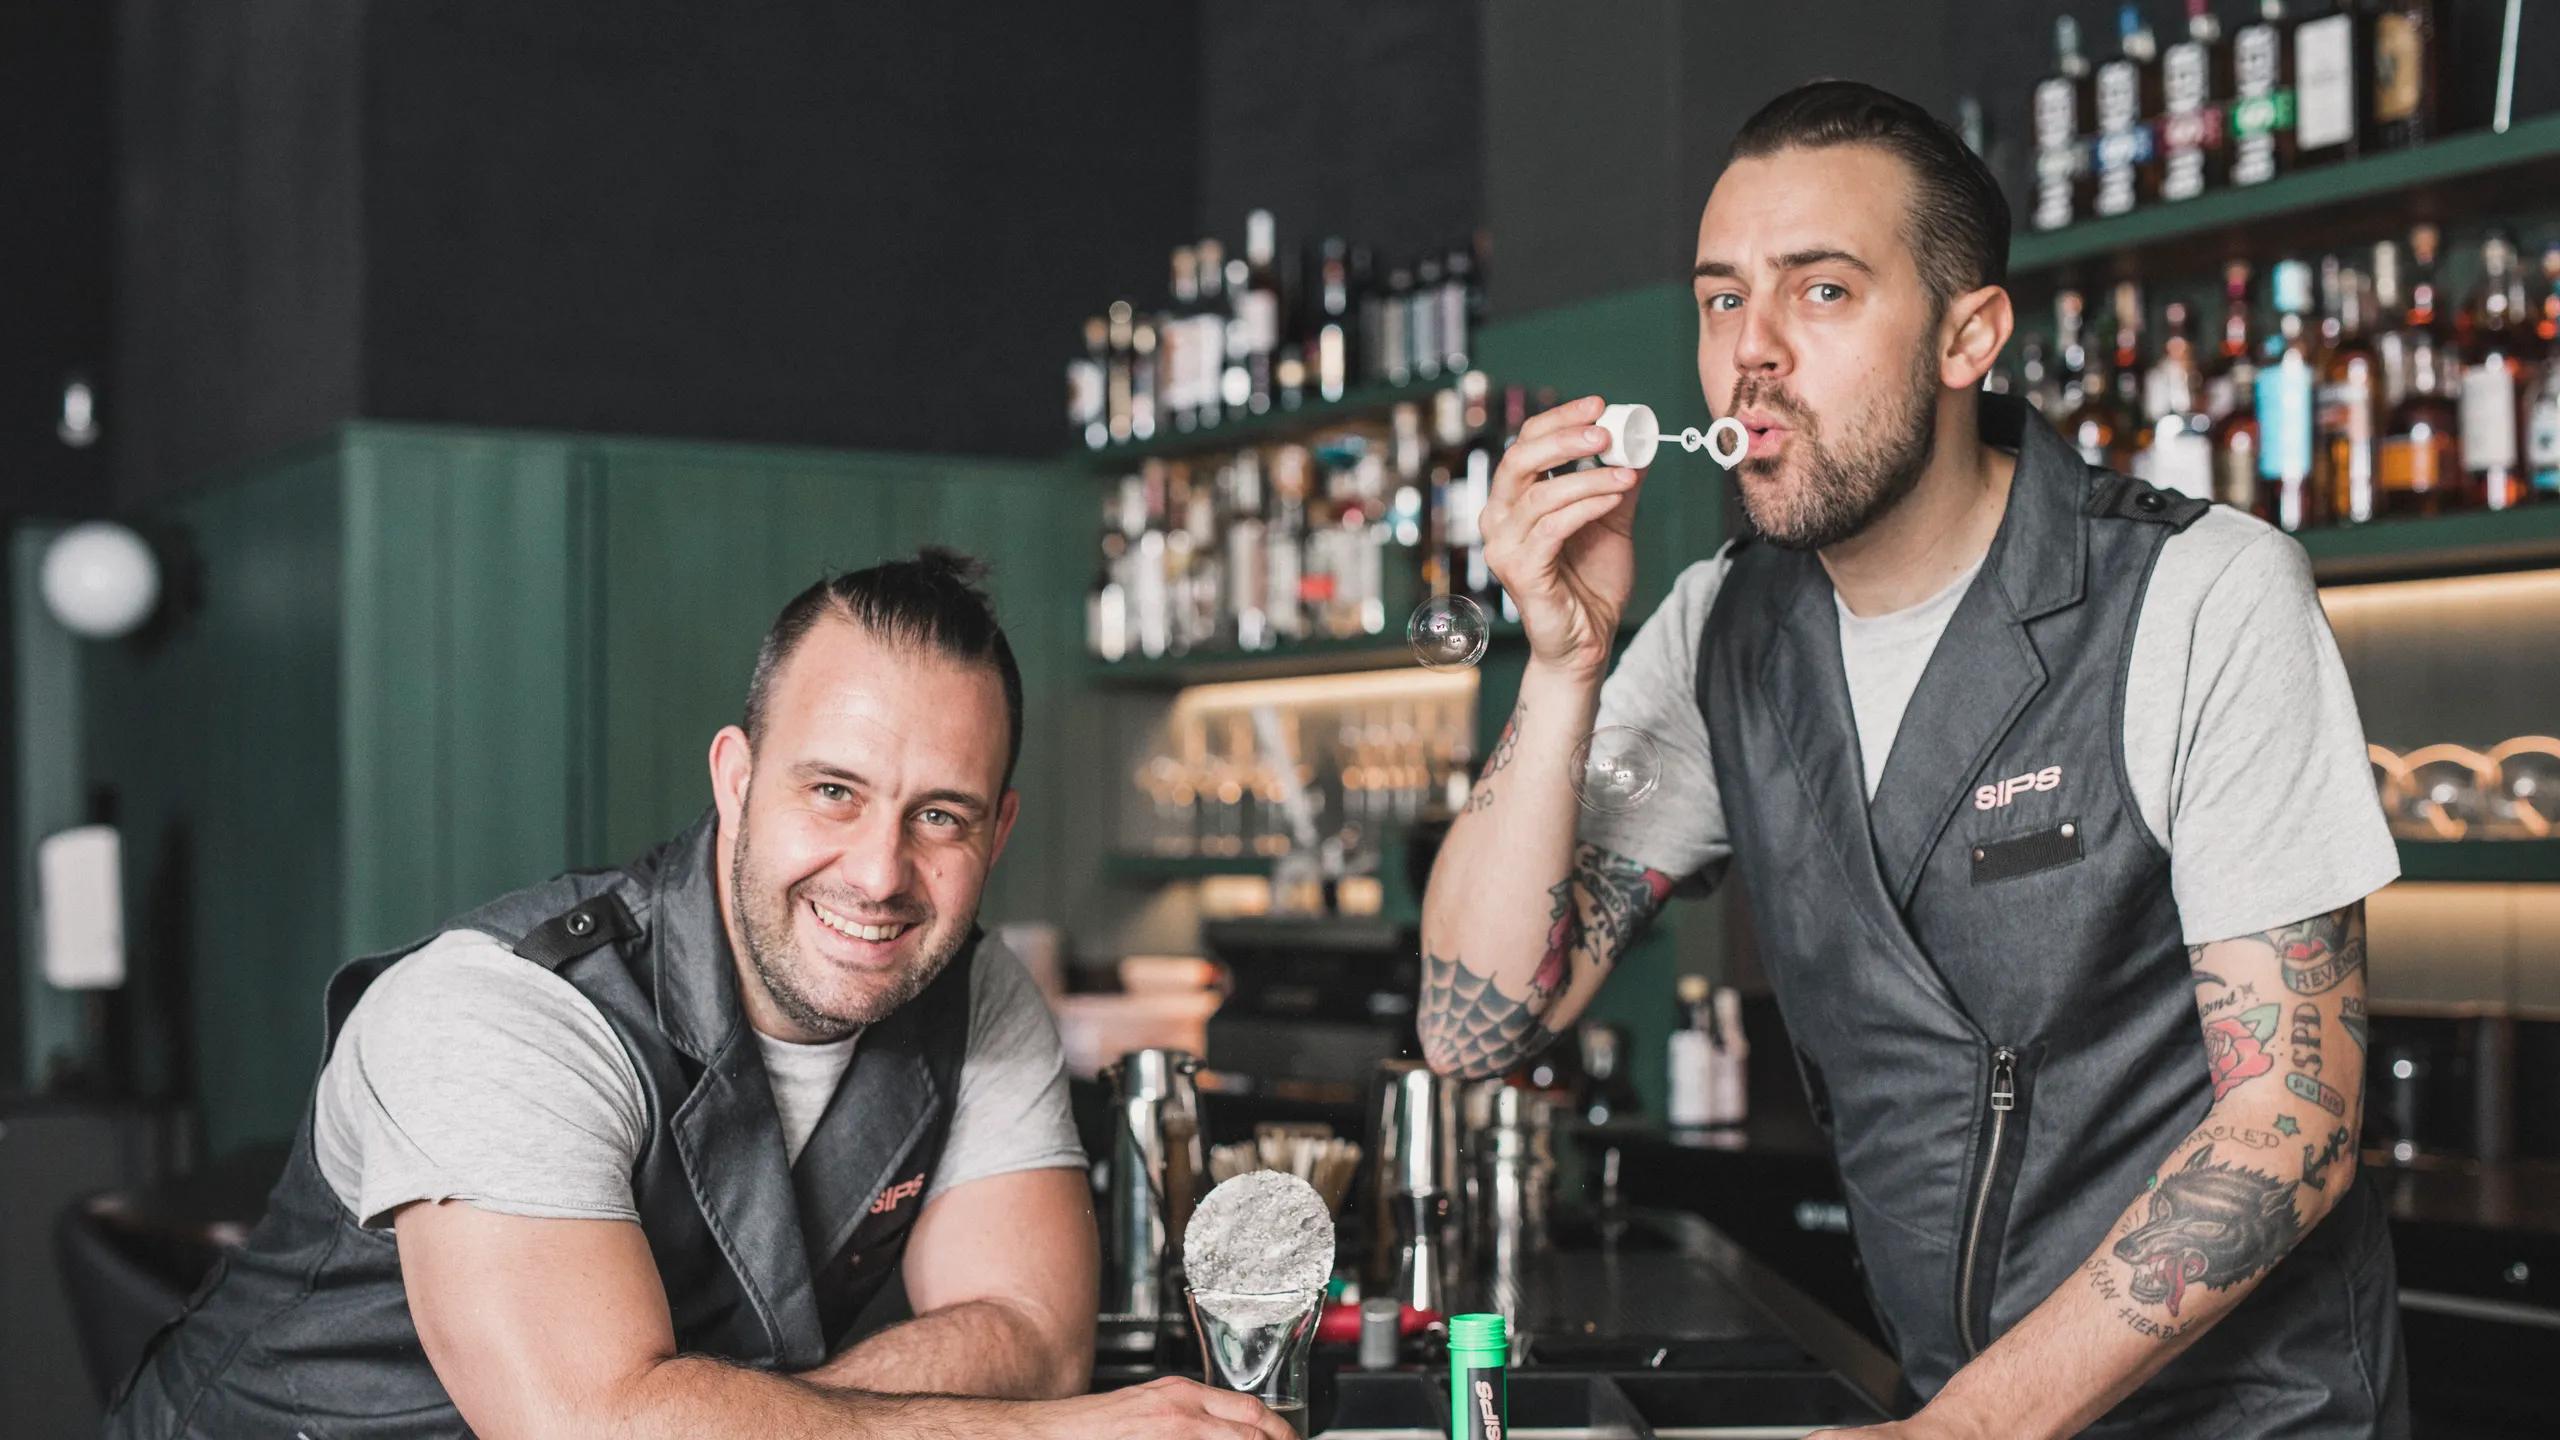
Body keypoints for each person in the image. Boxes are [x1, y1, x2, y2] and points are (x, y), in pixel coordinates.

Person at [1418, 82, 2405, 1439]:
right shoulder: (1726, 627)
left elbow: (2294, 1118)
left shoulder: (2202, 591)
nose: (1750, 354)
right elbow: (1473, 1027)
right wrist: (1562, 664)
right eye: (1720, 300)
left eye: (1820, 293)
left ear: (1968, 335)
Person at [107, 550, 1292, 1440]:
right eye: (833, 791)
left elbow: (1031, 1341)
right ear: (736, 778)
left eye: (941, 816)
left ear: (1000, 830)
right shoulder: (498, 1013)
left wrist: (703, 1416)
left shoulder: (977, 991)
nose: (880, 874)